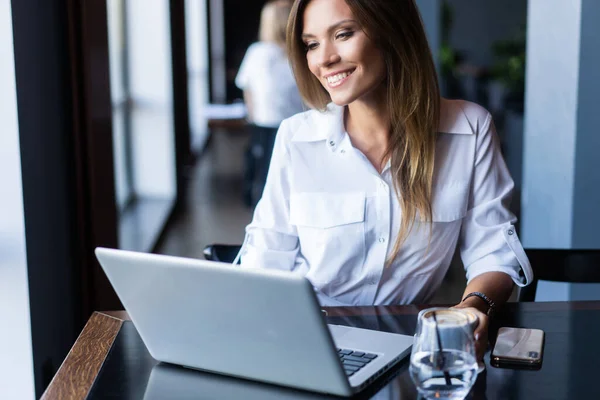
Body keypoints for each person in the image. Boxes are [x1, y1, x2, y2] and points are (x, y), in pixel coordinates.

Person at [239, 0, 533, 360]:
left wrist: (472, 307)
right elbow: (266, 259)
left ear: (391, 31)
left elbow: (493, 250)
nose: (324, 59)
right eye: (312, 43)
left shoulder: (469, 130)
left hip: (412, 347)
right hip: (311, 343)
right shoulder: (296, 137)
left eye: (343, 34)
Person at [235, 0, 305, 207]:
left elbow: (246, 87)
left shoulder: (256, 52)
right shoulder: (297, 53)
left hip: (263, 120)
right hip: (293, 120)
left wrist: (252, 115)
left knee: (265, 167)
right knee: (287, 167)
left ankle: (263, 206)